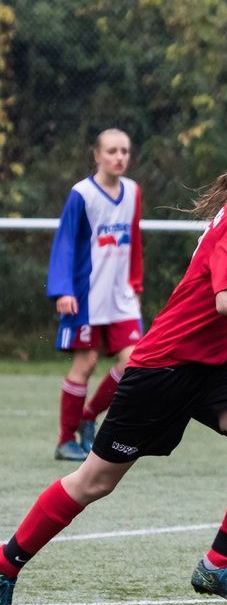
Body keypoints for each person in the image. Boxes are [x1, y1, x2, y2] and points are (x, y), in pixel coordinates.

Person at [0, 125, 227, 605]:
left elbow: (224, 288)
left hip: (211, 365)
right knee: (95, 481)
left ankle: (217, 566)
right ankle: (5, 567)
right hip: (163, 367)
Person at [46, 129, 145, 461]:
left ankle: (89, 416)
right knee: (85, 363)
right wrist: (62, 289)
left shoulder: (132, 191)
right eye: (112, 151)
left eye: (125, 151)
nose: (119, 157)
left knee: (136, 362)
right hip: (86, 295)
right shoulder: (82, 194)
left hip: (121, 296)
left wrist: (136, 284)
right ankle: (65, 439)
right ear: (97, 155)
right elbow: (65, 242)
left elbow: (134, 242)